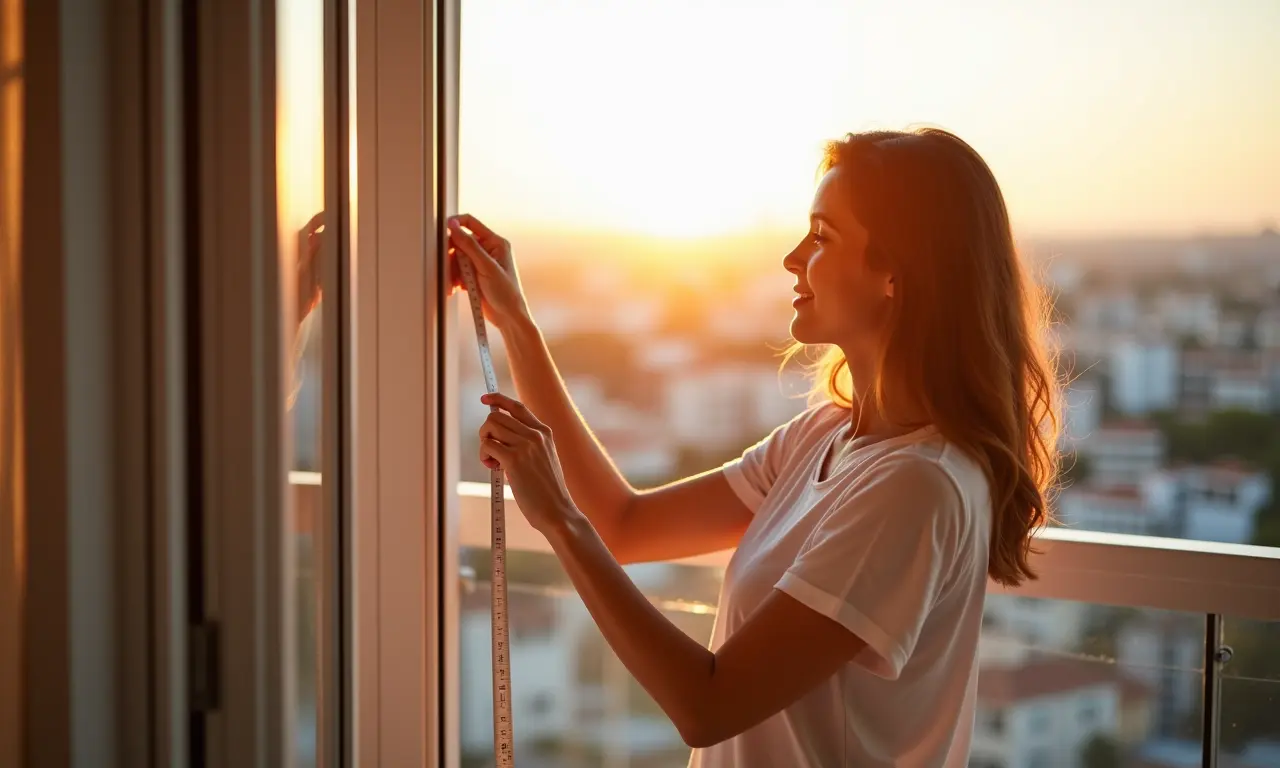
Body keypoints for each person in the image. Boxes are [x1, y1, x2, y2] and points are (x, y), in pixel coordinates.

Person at [447, 126, 1061, 767]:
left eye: (822, 236)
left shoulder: (916, 486)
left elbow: (707, 706)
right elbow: (626, 525)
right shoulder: (827, 434)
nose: (794, 258)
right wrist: (515, 321)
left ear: (894, 275)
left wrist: (559, 519)